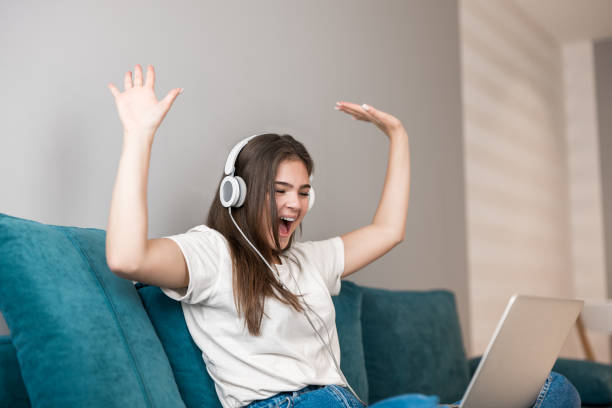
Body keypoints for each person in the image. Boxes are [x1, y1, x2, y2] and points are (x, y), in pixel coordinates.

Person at [105, 64, 581, 408]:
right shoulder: (211, 253)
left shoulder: (309, 262)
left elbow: (389, 230)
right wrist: (139, 135)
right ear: (237, 192)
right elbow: (127, 258)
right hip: (287, 406)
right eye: (280, 190)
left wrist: (399, 137)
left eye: (304, 191)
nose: (295, 203)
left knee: (555, 388)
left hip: (341, 402)